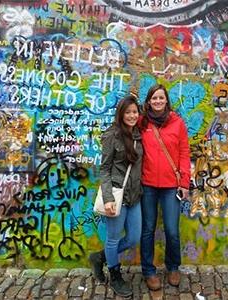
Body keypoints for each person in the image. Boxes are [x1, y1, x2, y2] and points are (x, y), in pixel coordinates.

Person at [89, 95, 143, 297]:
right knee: (113, 239)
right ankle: (115, 275)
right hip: (117, 196)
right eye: (127, 112)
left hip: (135, 197)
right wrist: (108, 197)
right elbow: (104, 169)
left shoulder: (139, 133)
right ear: (120, 113)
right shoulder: (111, 135)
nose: (131, 115)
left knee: (132, 238)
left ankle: (99, 257)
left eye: (134, 112)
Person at [139, 84, 190, 290]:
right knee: (148, 229)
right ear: (149, 102)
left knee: (171, 230)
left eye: (161, 98)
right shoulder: (142, 123)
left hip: (171, 186)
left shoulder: (177, 123)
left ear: (166, 100)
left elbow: (184, 153)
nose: (158, 101)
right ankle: (149, 271)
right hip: (148, 185)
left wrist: (184, 182)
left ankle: (173, 267)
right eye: (154, 98)